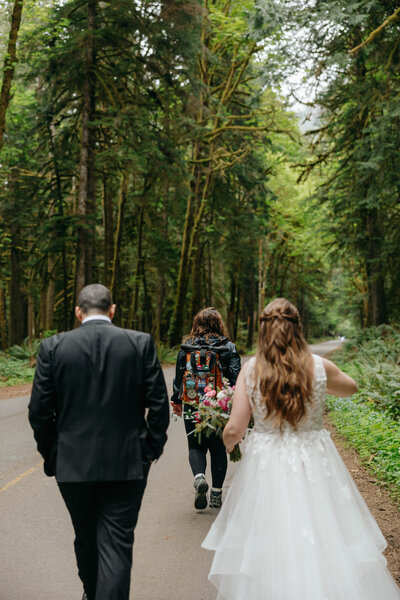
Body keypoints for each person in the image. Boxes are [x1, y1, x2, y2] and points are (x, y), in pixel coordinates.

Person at [202, 298, 400, 600]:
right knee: (324, 531)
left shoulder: (252, 369)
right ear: (298, 329)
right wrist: (322, 386)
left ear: (264, 330)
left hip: (266, 464)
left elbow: (234, 428)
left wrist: (231, 445)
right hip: (315, 462)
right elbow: (352, 387)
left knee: (270, 538)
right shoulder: (319, 365)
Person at [28, 284, 169, 600]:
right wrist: (148, 450)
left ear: (78, 312)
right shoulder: (139, 343)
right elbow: (159, 405)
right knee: (116, 544)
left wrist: (53, 454)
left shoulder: (54, 347)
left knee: (85, 536)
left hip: (73, 465)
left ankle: (92, 593)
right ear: (112, 310)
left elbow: (38, 411)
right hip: (127, 463)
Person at [171, 307, 240, 510]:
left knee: (195, 446)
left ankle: (199, 477)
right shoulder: (228, 347)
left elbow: (178, 377)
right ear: (219, 324)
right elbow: (236, 378)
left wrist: (177, 401)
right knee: (218, 448)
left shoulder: (187, 347)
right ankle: (216, 494)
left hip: (192, 403)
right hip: (219, 403)